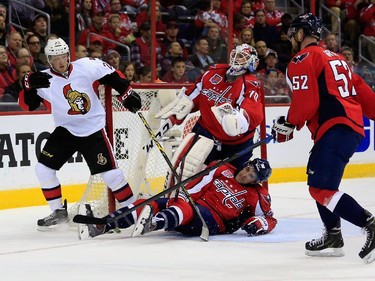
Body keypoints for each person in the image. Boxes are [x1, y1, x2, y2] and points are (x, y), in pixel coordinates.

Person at [271, 12, 375, 264]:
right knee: (318, 182)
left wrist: (291, 123)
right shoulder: (337, 58)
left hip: (334, 127)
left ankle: (369, 224)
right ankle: (333, 234)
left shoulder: (303, 57)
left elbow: (307, 101)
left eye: (293, 32)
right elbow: (362, 91)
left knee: (321, 188)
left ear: (300, 34)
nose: (291, 38)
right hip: (347, 129)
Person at [18, 38, 142, 229]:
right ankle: (58, 211)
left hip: (92, 129)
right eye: (55, 58)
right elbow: (28, 105)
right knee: (43, 170)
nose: (60, 61)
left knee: (111, 175)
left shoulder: (86, 66)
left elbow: (113, 76)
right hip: (66, 131)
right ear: (49, 60)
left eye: (63, 56)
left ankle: (134, 210)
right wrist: (27, 84)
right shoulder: (43, 79)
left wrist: (126, 94)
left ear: (68, 55)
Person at [80, 158, 277, 239]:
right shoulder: (223, 168)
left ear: (256, 181)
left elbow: (269, 218)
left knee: (188, 208)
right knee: (153, 201)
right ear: (246, 165)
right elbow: (198, 185)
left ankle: (155, 223)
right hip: (192, 205)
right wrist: (184, 196)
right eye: (248, 169)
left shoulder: (257, 196)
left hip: (212, 222)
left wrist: (259, 223)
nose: (246, 175)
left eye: (252, 176)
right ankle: (104, 224)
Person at [156, 43, 264, 170]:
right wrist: (175, 116)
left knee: (230, 180)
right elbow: (191, 98)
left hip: (236, 145)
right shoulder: (213, 72)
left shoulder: (250, 84)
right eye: (235, 54)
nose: (235, 58)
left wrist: (239, 121)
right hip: (205, 132)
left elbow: (253, 114)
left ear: (251, 62)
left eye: (241, 56)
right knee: (186, 170)